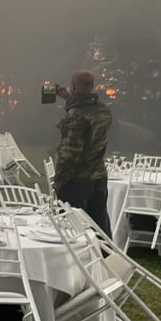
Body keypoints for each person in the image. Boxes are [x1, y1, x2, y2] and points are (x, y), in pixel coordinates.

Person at [54, 70, 113, 236]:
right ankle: (107, 258)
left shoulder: (75, 115)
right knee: (100, 226)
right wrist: (68, 97)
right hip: (98, 176)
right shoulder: (102, 109)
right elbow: (87, 108)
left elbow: (70, 152)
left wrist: (60, 180)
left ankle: (76, 259)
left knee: (72, 228)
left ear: (73, 85)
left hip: (77, 180)